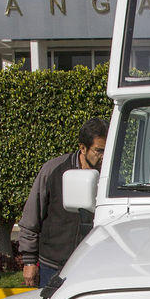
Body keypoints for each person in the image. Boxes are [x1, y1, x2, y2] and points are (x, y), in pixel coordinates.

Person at [19, 117, 109, 287]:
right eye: (99, 151)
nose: (104, 157)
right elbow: (31, 216)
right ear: (82, 148)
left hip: (93, 267)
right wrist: (29, 261)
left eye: (108, 150)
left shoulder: (110, 177)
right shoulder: (53, 170)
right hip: (53, 266)